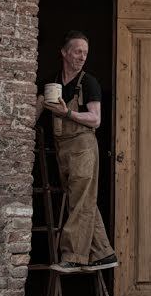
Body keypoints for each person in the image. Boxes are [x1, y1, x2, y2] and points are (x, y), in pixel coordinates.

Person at [37, 30, 117, 272]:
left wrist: (67, 113)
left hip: (83, 147)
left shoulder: (88, 82)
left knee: (80, 200)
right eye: (77, 51)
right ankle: (104, 254)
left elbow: (95, 119)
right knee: (80, 200)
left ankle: (73, 256)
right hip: (63, 148)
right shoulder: (51, 83)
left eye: (85, 52)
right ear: (64, 53)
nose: (82, 56)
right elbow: (34, 113)